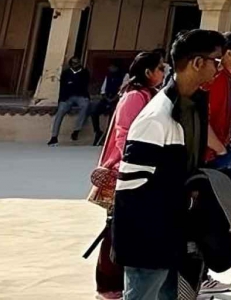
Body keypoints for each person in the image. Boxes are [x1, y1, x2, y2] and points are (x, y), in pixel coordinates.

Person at [112, 28, 225, 300]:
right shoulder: (157, 116)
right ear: (198, 63)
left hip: (175, 231)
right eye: (216, 61)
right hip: (149, 237)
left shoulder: (192, 106)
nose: (218, 68)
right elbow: (132, 189)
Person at [92, 51, 166, 300]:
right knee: (115, 231)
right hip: (123, 171)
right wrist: (134, 162)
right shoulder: (134, 96)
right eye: (160, 69)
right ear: (148, 72)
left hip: (137, 172)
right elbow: (125, 133)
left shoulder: (150, 95)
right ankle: (108, 285)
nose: (163, 74)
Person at [204, 31, 231, 172]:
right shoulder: (217, 79)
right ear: (229, 53)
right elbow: (205, 119)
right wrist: (220, 150)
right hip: (214, 155)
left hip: (227, 148)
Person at [49, 56, 92, 144]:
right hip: (67, 97)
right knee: (60, 111)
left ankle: (76, 130)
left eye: (77, 63)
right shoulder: (66, 73)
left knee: (85, 105)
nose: (76, 65)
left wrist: (72, 84)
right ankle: (54, 136)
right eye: (74, 63)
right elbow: (63, 87)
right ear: (70, 64)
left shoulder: (84, 72)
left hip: (81, 96)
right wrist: (60, 100)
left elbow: (84, 85)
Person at [90, 61, 126, 147]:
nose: (110, 69)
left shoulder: (124, 76)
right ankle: (97, 131)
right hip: (107, 98)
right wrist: (107, 98)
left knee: (112, 114)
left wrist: (114, 99)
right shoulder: (108, 76)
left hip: (117, 99)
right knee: (94, 112)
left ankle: (108, 135)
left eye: (112, 67)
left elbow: (123, 90)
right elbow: (103, 90)